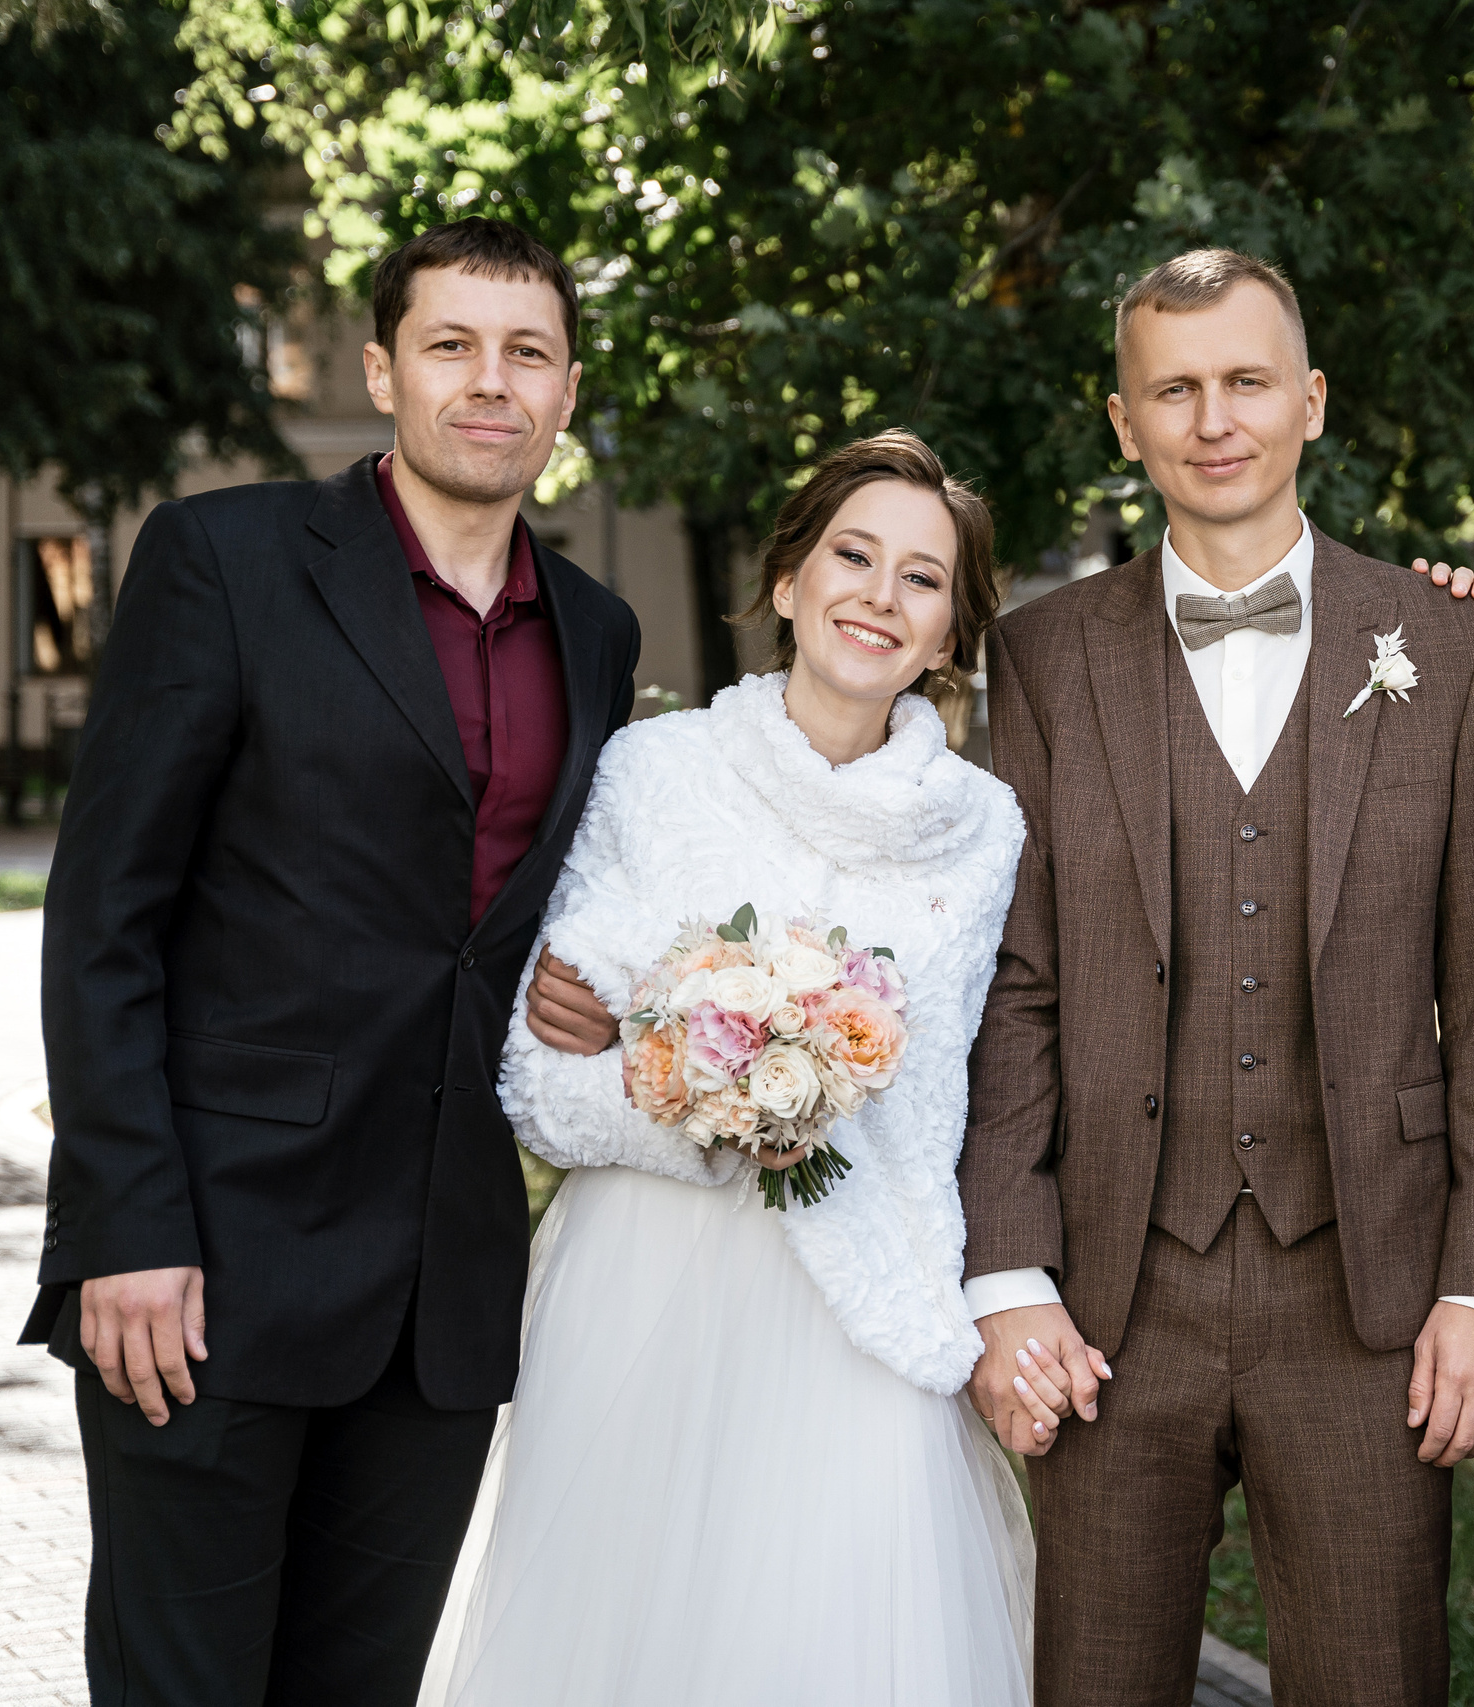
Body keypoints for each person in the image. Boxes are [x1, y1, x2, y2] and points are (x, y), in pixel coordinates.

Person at [24, 217, 642, 1707]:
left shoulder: (600, 634)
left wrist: (589, 990)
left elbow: (516, 914)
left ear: (566, 394)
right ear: (382, 368)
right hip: (209, 1266)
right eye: (452, 345)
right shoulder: (223, 558)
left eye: (528, 353)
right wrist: (125, 1224)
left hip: (440, 1293)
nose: (490, 383)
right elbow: (105, 915)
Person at [956, 248, 1474, 1707]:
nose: (1214, 417)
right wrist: (1009, 1270)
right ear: (1123, 420)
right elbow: (1013, 986)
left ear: (1312, 401)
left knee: (1373, 1677)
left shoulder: (1448, 642)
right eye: (1176, 388)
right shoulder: (1036, 657)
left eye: (1246, 380)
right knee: (1092, 1678)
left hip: (1373, 1291)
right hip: (1107, 1293)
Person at [421, 430, 1033, 1705]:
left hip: (862, 1291)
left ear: (948, 634)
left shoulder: (982, 831)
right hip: (646, 1285)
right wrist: (711, 1103)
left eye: (921, 580)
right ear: (790, 581)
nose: (878, 593)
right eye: (851, 556)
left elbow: (948, 1099)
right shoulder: (656, 773)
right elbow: (540, 1073)